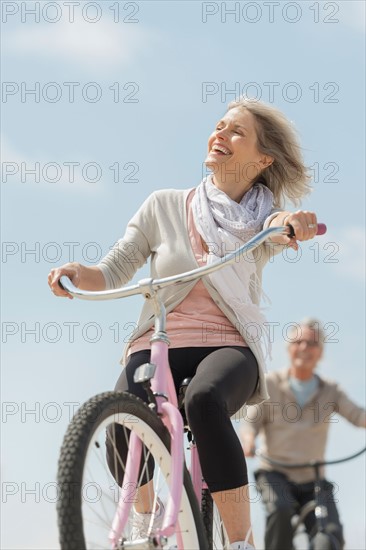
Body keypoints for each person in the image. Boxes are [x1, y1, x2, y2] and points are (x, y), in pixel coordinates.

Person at [48, 98, 320, 550]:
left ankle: (239, 542)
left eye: (236, 131)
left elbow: (279, 223)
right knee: (120, 418)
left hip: (228, 347)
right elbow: (113, 269)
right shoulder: (164, 205)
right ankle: (143, 519)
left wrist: (293, 222)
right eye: (219, 126)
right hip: (156, 342)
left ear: (263, 159)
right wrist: (79, 272)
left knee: (205, 400)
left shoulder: (260, 221)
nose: (220, 134)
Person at [241, 318, 366, 550]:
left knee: (330, 535)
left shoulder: (330, 390)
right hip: (274, 473)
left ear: (321, 353)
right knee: (280, 511)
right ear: (289, 348)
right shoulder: (271, 384)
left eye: (312, 343)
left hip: (313, 478)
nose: (304, 348)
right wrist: (248, 441)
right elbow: (251, 423)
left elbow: (359, 416)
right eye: (298, 342)